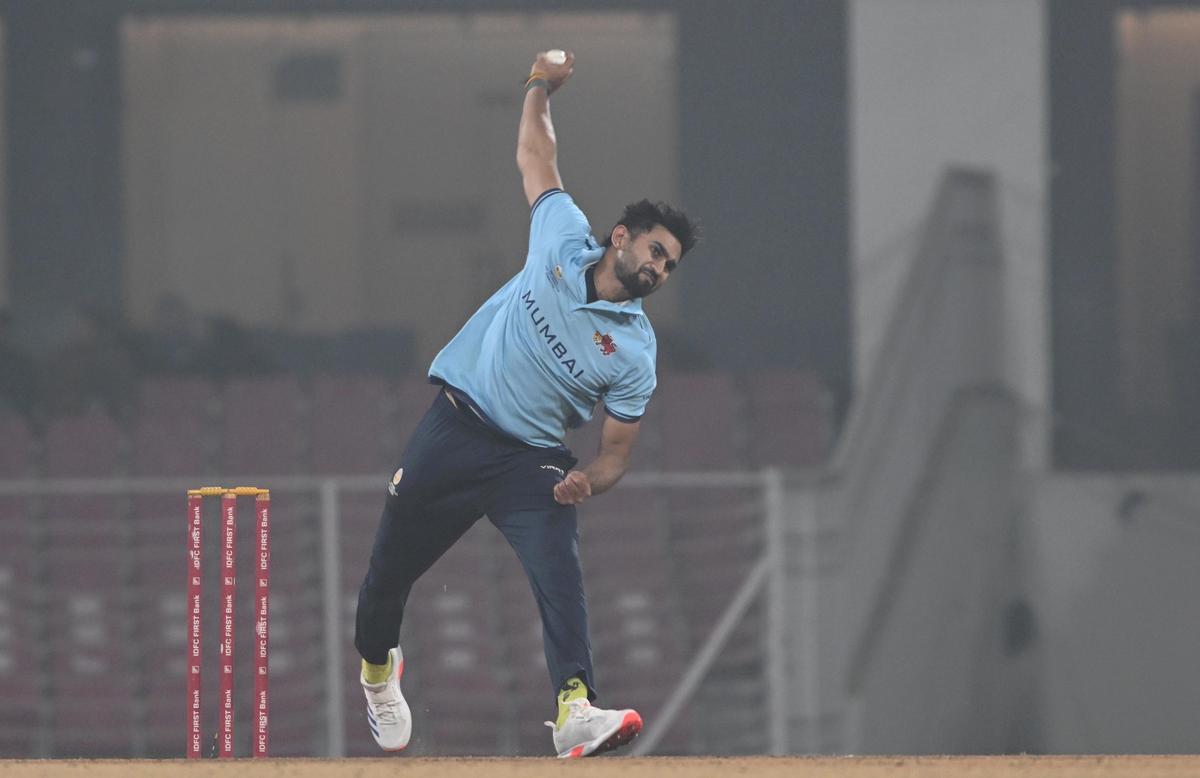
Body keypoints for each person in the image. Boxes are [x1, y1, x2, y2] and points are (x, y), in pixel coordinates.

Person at [354, 49, 699, 758]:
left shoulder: (636, 352)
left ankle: (576, 707)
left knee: (559, 570)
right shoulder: (560, 232)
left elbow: (613, 456)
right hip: (457, 428)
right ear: (622, 237)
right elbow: (534, 152)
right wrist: (539, 85)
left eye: (670, 266)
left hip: (532, 461)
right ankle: (378, 674)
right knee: (386, 575)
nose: (659, 270)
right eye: (655, 252)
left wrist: (587, 483)